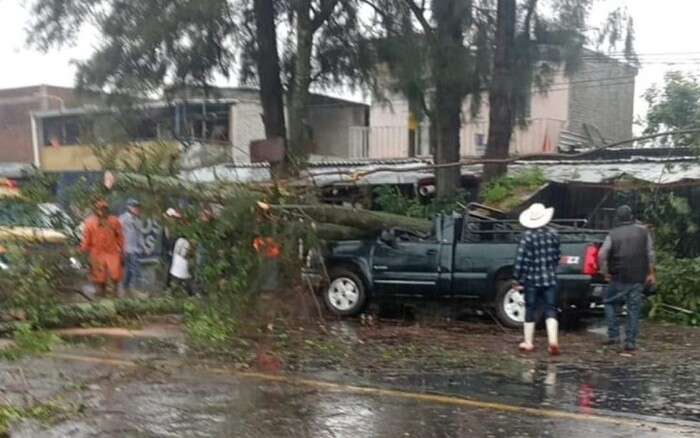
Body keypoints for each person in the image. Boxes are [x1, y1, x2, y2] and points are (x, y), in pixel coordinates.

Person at [597, 205, 656, 352]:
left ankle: (614, 336)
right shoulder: (643, 232)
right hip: (638, 277)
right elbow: (650, 253)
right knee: (633, 308)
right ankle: (630, 342)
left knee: (609, 303)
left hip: (617, 276)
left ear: (617, 218)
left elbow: (602, 254)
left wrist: (605, 271)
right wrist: (651, 273)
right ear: (631, 217)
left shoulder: (613, 234)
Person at [512, 203, 562, 356]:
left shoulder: (527, 237)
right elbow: (557, 256)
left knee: (530, 308)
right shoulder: (554, 234)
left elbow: (521, 260)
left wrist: (516, 278)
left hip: (532, 279)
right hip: (550, 278)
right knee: (551, 308)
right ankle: (553, 341)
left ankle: (528, 342)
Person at [79, 199, 124, 298]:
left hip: (112, 252)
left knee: (115, 277)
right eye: (99, 209)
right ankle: (100, 301)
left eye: (104, 209)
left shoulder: (114, 221)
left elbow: (120, 237)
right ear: (95, 210)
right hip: (96, 253)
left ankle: (115, 300)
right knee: (99, 280)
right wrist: (82, 252)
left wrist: (122, 250)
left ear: (107, 209)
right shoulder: (89, 222)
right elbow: (86, 239)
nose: (102, 211)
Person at [119, 198, 148, 298]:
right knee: (132, 270)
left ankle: (127, 289)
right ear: (129, 207)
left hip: (134, 249)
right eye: (135, 207)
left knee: (132, 270)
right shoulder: (122, 219)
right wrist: (121, 249)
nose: (137, 209)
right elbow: (119, 235)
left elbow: (140, 236)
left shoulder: (138, 221)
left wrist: (145, 247)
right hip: (125, 249)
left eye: (138, 207)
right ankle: (134, 291)